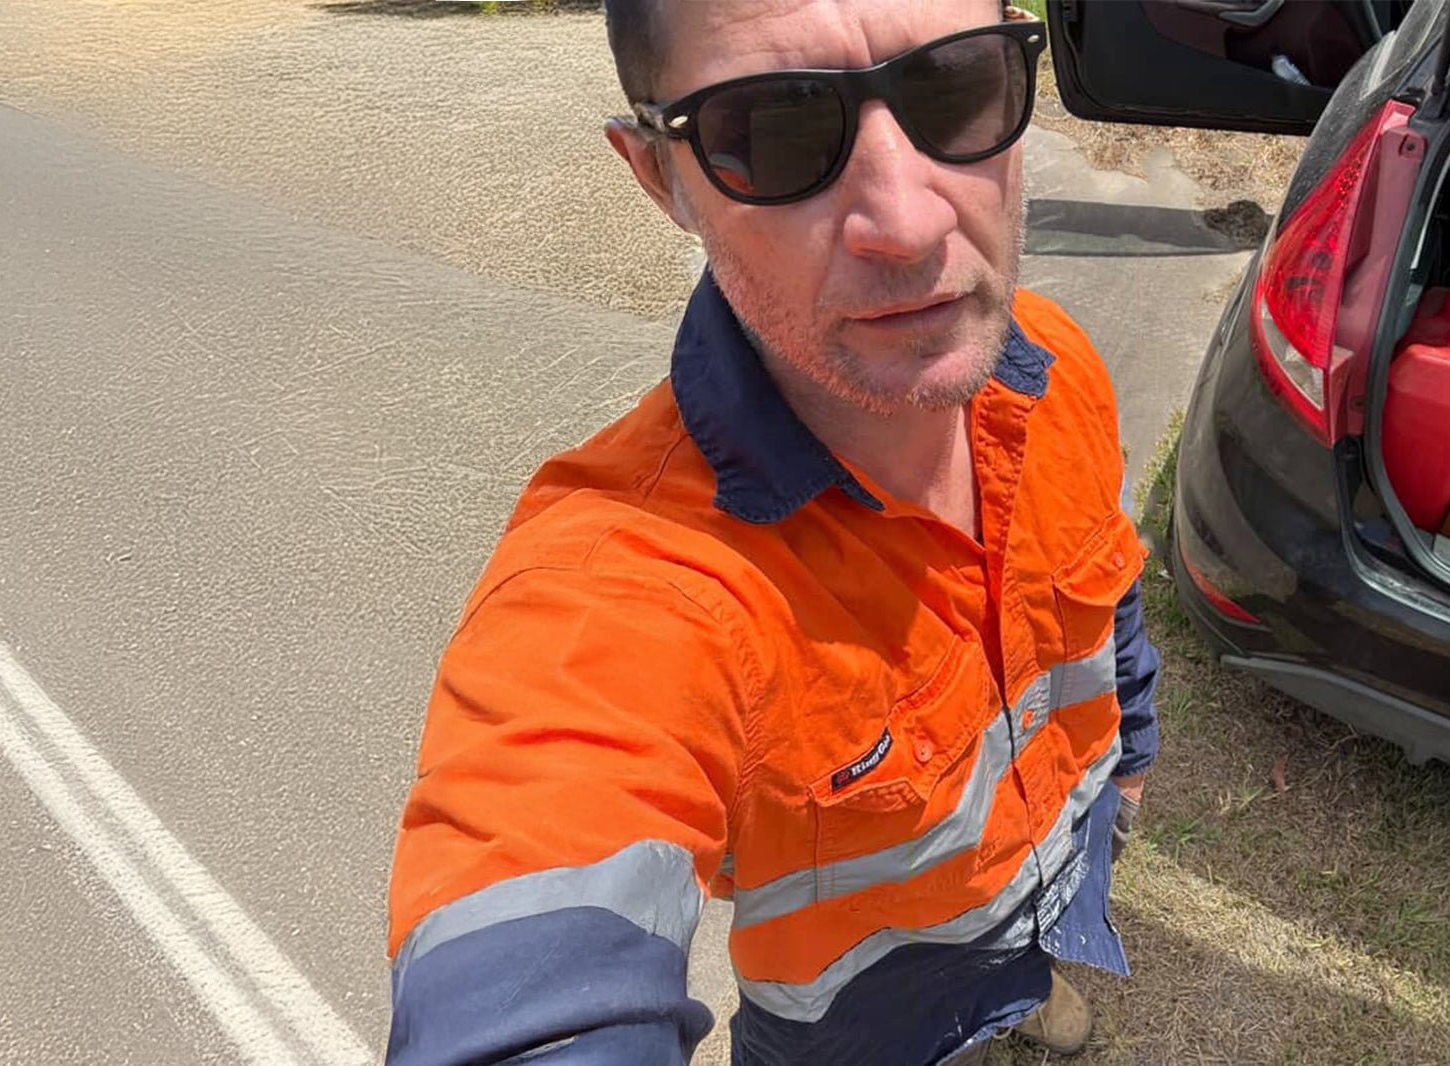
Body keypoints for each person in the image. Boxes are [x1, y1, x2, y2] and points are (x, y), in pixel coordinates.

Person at [384, 1, 1161, 1063]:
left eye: (955, 87)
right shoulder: (624, 587)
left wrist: (1130, 752)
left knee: (1025, 971)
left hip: (1051, 879)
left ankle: (1026, 987)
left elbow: (1109, 598)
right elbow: (529, 969)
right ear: (659, 177)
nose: (908, 222)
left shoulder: (1058, 364)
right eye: (777, 131)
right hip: (862, 1035)